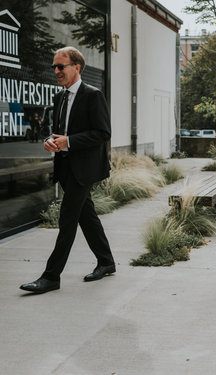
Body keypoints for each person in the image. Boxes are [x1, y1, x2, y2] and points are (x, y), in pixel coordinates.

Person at [20, 46, 115, 294]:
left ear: (76, 67)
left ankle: (51, 277)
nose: (56, 71)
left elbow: (103, 133)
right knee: (87, 217)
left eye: (61, 66)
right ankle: (106, 261)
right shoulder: (59, 97)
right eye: (54, 66)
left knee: (67, 219)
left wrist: (69, 142)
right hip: (65, 168)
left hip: (84, 169)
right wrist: (51, 141)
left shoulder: (93, 95)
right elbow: (59, 132)